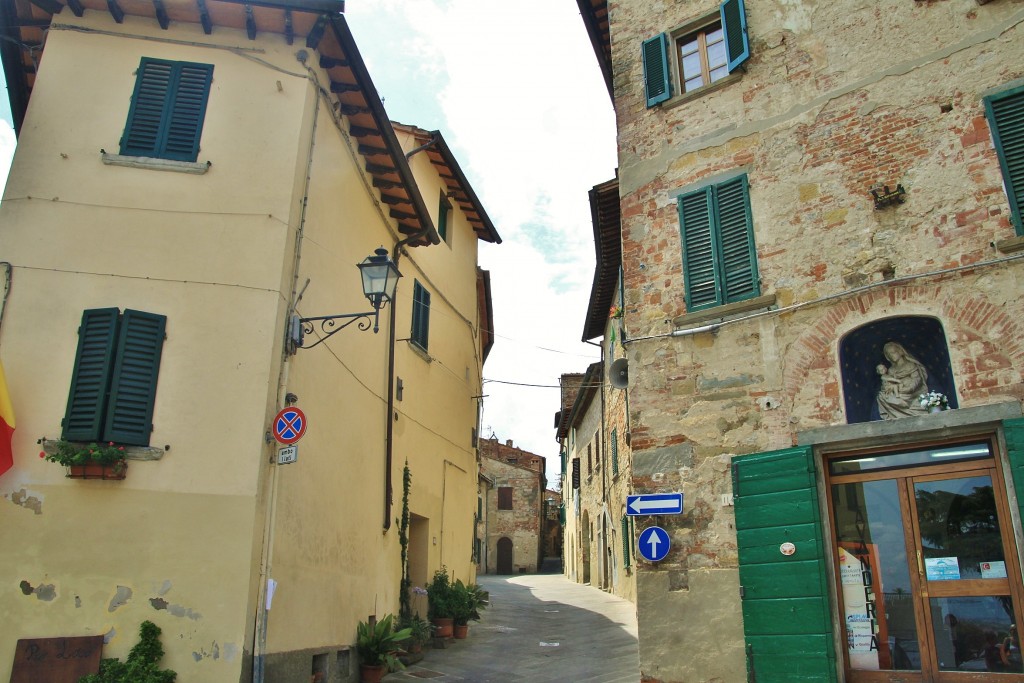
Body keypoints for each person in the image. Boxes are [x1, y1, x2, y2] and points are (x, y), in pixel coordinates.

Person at [875, 342, 929, 420]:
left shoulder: (910, 365)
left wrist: (908, 389)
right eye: (889, 354)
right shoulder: (891, 370)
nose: (891, 355)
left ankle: (905, 405)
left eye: (893, 352)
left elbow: (917, 380)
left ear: (900, 351)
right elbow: (888, 383)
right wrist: (888, 388)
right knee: (881, 396)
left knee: (901, 397)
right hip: (898, 391)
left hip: (911, 393)